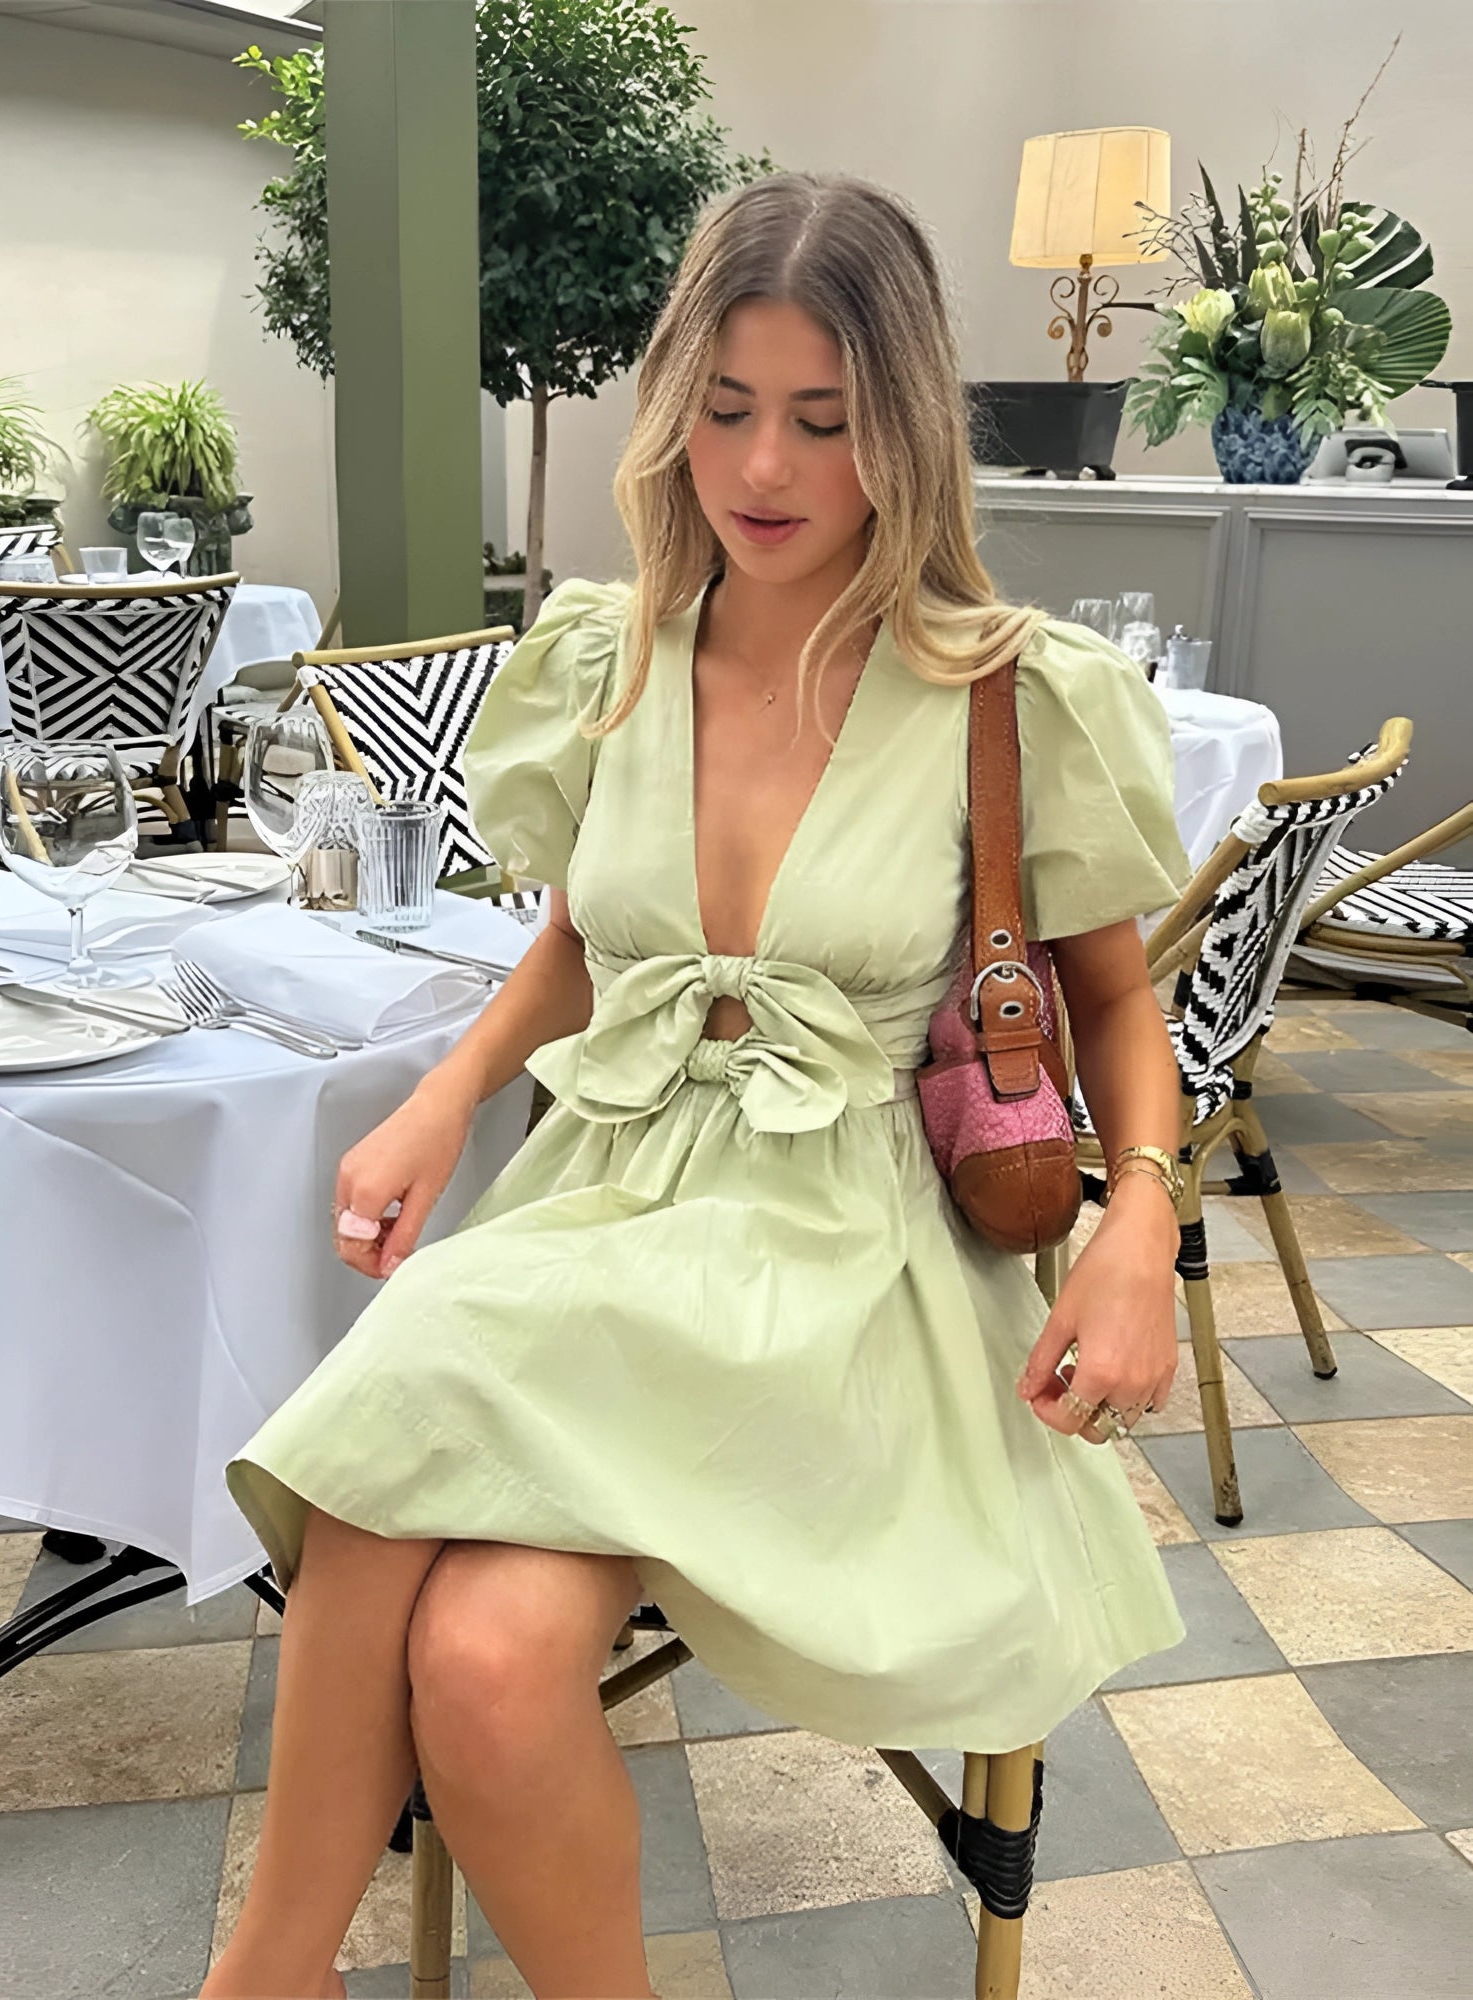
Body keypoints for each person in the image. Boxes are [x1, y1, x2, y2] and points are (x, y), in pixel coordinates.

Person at [204, 172, 1191, 2000]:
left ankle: (256, 1980)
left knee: (402, 1420)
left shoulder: (1005, 691)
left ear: (904, 426)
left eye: (824, 418)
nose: (765, 465)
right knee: (483, 1655)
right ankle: (275, 1975)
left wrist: (1143, 1221)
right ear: (671, 407)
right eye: (725, 407)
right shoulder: (612, 653)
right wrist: (448, 1094)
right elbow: (588, 936)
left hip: (845, 1268)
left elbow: (1117, 1004)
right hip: (614, 1201)